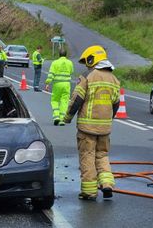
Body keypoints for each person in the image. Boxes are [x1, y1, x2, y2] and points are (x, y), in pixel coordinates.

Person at [64, 45, 120, 201]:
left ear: (91, 60)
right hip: (105, 128)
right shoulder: (114, 79)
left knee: (87, 157)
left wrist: (67, 118)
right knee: (102, 156)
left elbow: (76, 100)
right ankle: (107, 183)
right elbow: (115, 105)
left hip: (87, 129)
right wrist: (107, 120)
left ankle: (89, 192)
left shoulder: (88, 77)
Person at [44, 49, 74, 126]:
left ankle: (56, 116)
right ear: (66, 54)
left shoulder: (55, 63)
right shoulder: (70, 63)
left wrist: (47, 83)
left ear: (59, 54)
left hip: (57, 84)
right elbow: (71, 71)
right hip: (66, 84)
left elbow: (51, 74)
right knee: (64, 101)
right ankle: (62, 119)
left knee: (55, 100)